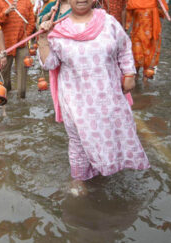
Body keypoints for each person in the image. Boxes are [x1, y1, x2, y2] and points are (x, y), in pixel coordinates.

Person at [38, 0, 150, 195]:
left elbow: (124, 48)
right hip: (76, 98)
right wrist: (42, 38)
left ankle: (104, 167)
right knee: (79, 140)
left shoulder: (109, 22)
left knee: (108, 133)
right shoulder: (59, 29)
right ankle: (79, 179)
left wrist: (130, 75)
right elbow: (49, 64)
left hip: (108, 94)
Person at [0, 0, 35, 98]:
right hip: (5, 45)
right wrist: (6, 12)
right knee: (4, 78)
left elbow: (31, 22)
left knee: (23, 75)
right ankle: (7, 102)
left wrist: (26, 36)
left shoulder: (27, 2)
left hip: (22, 43)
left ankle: (21, 101)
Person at [125, 0, 169, 80]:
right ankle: (136, 83)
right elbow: (128, 13)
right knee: (136, 60)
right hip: (137, 35)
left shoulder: (155, 2)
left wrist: (159, 4)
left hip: (151, 35)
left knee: (148, 62)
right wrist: (125, 28)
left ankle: (145, 86)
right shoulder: (133, 1)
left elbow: (163, 13)